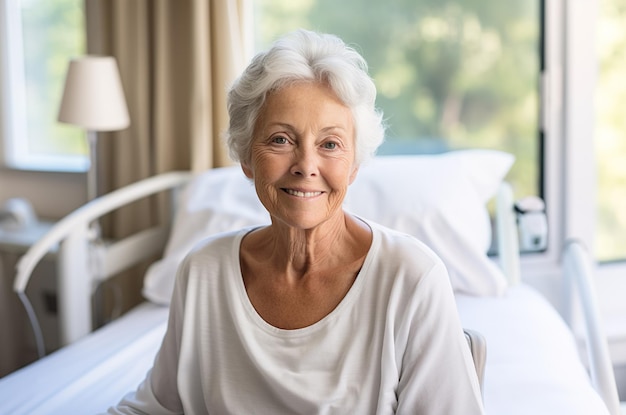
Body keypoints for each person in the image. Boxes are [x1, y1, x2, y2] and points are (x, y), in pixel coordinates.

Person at [106, 29, 484, 414]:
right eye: (281, 140)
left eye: (330, 144)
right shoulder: (204, 272)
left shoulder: (412, 278)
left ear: (353, 166)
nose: (306, 166)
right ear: (247, 159)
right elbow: (156, 408)